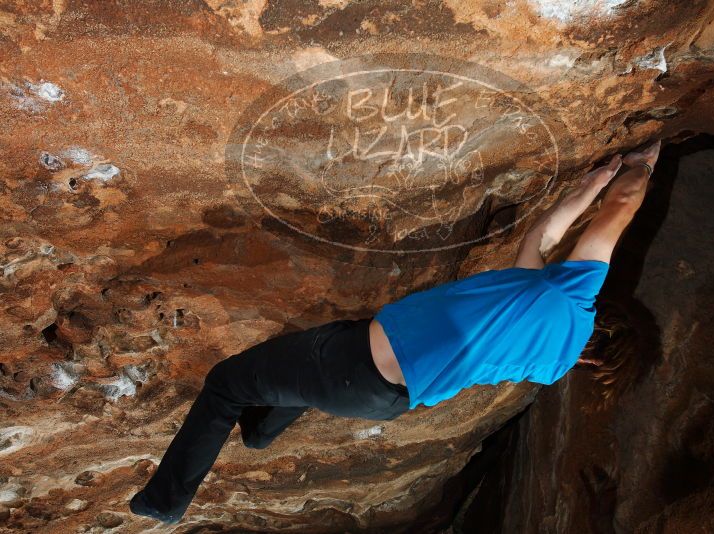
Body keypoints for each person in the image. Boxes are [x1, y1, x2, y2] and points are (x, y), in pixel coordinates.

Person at [129, 140, 661, 524]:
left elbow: (612, 211)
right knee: (304, 371)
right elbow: (540, 239)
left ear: (603, 311)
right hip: (379, 392)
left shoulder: (570, 296)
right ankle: (261, 433)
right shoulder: (548, 363)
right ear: (592, 363)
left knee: (226, 383)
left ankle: (164, 502)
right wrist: (588, 187)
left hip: (357, 364)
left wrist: (635, 167)